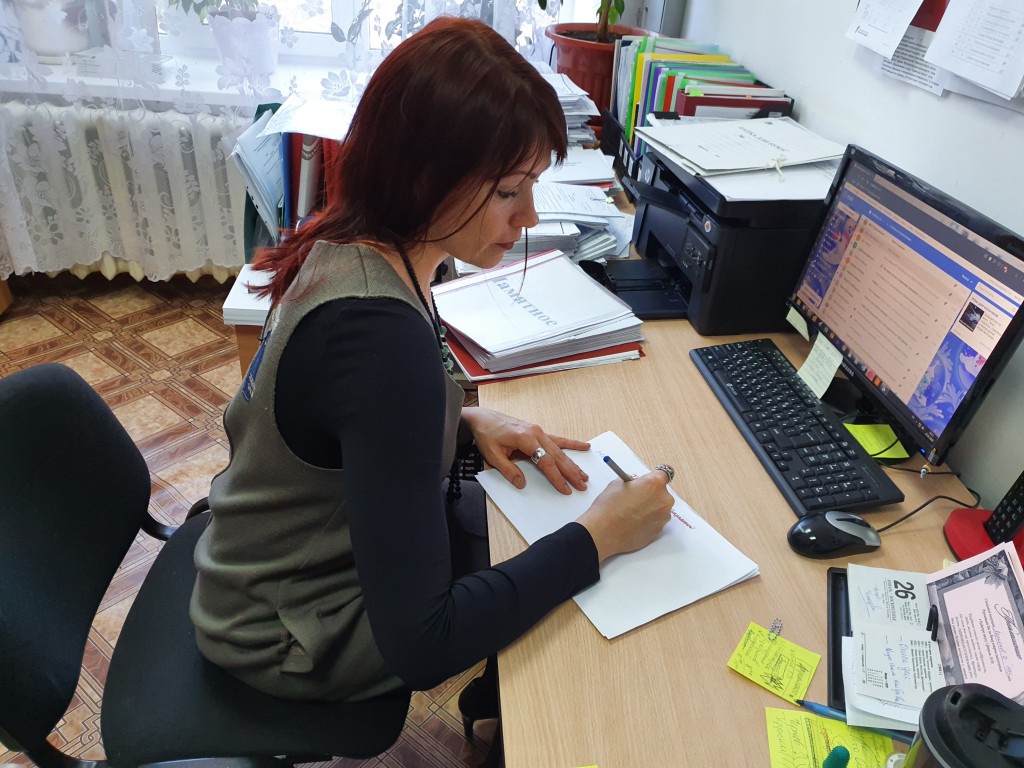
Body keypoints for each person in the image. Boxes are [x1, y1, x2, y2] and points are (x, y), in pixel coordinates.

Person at [188, 13, 674, 749]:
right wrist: (599, 536)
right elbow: (423, 644)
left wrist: (465, 421)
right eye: (508, 191)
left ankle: (503, 709)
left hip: (261, 563)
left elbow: (335, 422)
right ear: (423, 177)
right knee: (575, 593)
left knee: (510, 535)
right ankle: (518, 731)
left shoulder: (356, 240)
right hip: (282, 634)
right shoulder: (378, 338)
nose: (528, 216)